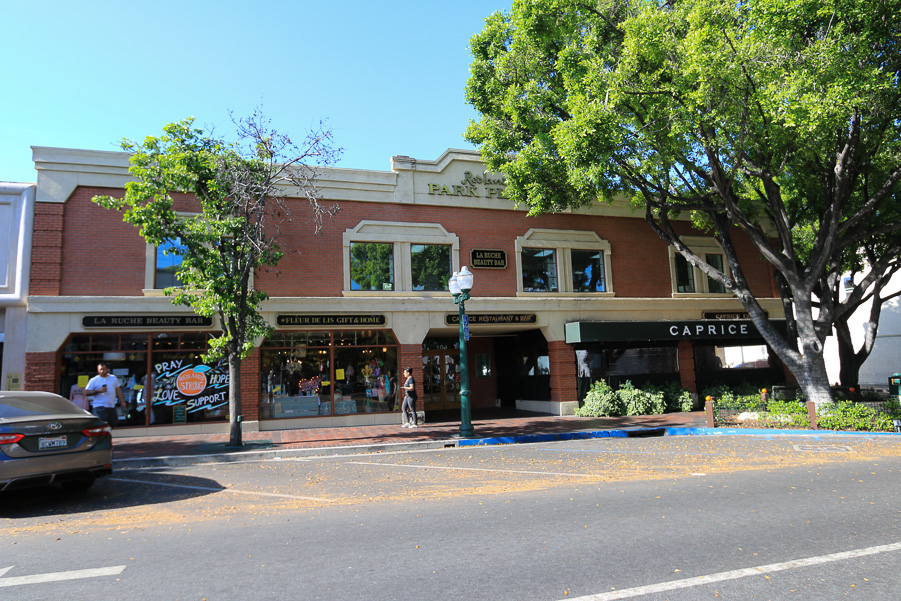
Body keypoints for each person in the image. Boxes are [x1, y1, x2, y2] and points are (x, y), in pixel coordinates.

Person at [84, 362, 126, 426]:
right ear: (98, 370)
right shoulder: (94, 380)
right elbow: (86, 392)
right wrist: (98, 391)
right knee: (101, 424)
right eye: (100, 369)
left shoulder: (113, 378)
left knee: (113, 423)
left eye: (103, 369)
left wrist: (122, 401)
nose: (102, 371)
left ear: (107, 369)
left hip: (111, 406)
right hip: (99, 406)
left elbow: (118, 390)